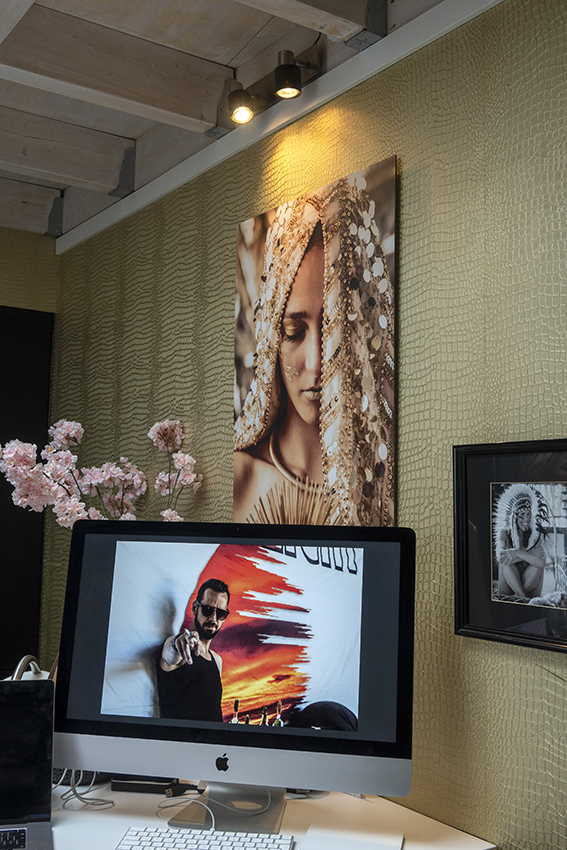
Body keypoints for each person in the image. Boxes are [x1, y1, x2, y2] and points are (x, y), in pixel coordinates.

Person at [234, 172, 395, 526]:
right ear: (272, 338)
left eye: (335, 331)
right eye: (293, 332)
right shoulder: (240, 478)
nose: (317, 362)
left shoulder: (382, 491)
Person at [156, 578, 230, 722]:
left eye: (220, 613)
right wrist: (177, 643)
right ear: (195, 608)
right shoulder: (180, 646)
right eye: (208, 610)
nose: (213, 619)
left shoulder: (217, 660)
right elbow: (170, 655)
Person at [494, 484, 548, 599]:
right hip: (509, 590)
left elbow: (541, 563)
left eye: (529, 515)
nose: (526, 520)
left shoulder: (534, 536)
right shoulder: (504, 533)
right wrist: (529, 554)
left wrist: (517, 552)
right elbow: (501, 558)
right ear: (514, 517)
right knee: (506, 563)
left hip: (529, 587)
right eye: (521, 516)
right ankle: (523, 597)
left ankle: (521, 597)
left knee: (537, 566)